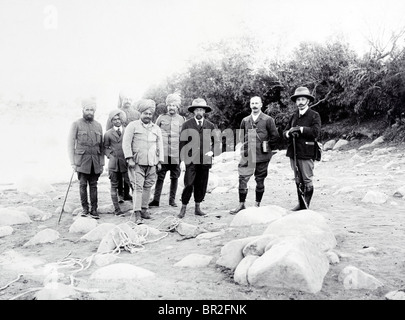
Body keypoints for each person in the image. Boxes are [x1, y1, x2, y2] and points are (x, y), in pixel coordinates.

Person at [230, 96, 279, 214]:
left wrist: (267, 147)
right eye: (252, 103)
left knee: (260, 180)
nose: (254, 105)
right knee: (242, 178)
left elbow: (275, 136)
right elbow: (241, 137)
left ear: (261, 105)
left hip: (262, 155)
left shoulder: (268, 120)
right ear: (250, 105)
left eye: (257, 103)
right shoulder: (245, 120)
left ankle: (257, 205)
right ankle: (241, 204)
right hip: (248, 155)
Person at [122, 99, 163, 224]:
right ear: (141, 113)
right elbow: (126, 143)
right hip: (137, 163)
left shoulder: (156, 128)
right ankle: (137, 213)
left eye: (150, 114)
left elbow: (160, 145)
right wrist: (129, 158)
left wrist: (160, 161)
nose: (148, 116)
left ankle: (144, 209)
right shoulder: (132, 126)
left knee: (148, 186)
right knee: (137, 188)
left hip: (152, 163)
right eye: (146, 113)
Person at [177, 98, 220, 218]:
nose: (199, 112)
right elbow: (182, 143)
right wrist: (182, 161)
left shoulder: (210, 125)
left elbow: (216, 142)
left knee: (201, 185)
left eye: (201, 110)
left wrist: (212, 152)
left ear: (204, 111)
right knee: (189, 183)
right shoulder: (187, 124)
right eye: (197, 110)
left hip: (205, 160)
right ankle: (183, 207)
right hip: (190, 160)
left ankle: (197, 207)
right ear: (193, 112)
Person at [283, 86, 321, 211]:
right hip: (294, 152)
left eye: (303, 99)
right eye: (298, 99)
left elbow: (316, 132)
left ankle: (306, 206)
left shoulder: (314, 115)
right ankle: (301, 204)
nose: (300, 102)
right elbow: (284, 131)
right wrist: (289, 133)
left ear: (308, 101)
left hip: (307, 152)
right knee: (298, 179)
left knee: (307, 179)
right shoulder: (294, 116)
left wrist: (301, 129)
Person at [68, 98, 104, 219]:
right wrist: (73, 162)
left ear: (94, 111)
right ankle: (85, 209)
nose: (89, 112)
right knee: (83, 184)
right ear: (83, 110)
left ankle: (94, 209)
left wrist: (102, 163)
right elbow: (70, 144)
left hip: (95, 161)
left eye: (91, 110)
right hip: (81, 160)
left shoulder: (98, 126)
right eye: (87, 109)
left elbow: (102, 146)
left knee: (94, 185)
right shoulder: (76, 124)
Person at [149, 93, 186, 208]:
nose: (171, 107)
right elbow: (153, 132)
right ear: (166, 106)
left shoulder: (182, 119)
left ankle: (172, 200)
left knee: (174, 177)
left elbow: (184, 138)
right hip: (163, 153)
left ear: (178, 107)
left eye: (174, 105)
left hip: (176, 154)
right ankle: (156, 200)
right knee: (160, 176)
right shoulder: (161, 118)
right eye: (169, 105)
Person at [106, 91, 140, 201]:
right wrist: (111, 152)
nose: (128, 101)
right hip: (117, 148)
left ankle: (128, 193)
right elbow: (108, 131)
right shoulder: (116, 113)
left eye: (130, 99)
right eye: (126, 99)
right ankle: (120, 193)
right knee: (118, 172)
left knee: (129, 172)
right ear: (122, 100)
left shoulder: (136, 114)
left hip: (132, 146)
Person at [104, 109, 130, 216]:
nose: (117, 121)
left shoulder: (127, 131)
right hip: (114, 163)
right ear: (111, 121)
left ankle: (138, 207)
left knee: (130, 182)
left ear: (122, 120)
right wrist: (110, 155)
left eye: (119, 119)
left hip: (126, 162)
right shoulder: (108, 134)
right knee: (114, 185)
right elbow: (105, 147)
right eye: (114, 119)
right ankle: (117, 209)